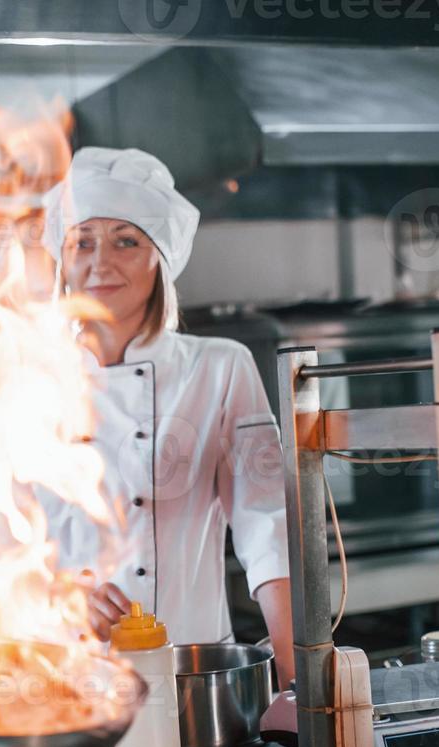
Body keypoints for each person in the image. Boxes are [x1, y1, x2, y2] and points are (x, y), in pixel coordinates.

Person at [39, 147, 294, 684]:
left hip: (195, 675)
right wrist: (59, 592)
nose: (99, 263)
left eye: (126, 241)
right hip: (59, 674)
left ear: (162, 257)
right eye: (81, 241)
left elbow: (267, 529)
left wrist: (301, 680)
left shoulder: (220, 369)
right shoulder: (21, 380)